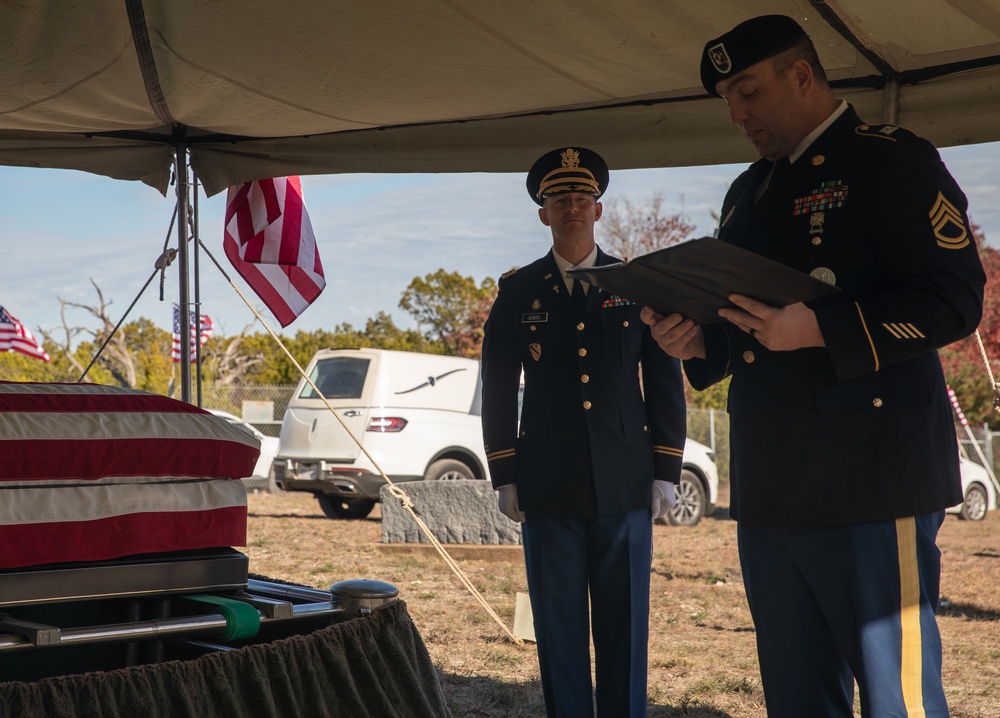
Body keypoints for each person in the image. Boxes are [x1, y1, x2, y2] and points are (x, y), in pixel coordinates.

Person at [640, 15, 986, 718]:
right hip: (773, 483)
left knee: (898, 700)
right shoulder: (749, 191)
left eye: (749, 91)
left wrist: (821, 329)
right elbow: (743, 323)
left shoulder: (890, 160)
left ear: (801, 76)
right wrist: (694, 342)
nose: (738, 115)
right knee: (796, 698)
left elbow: (954, 300)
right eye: (728, 102)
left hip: (870, 481)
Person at [481, 146, 687, 717]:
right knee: (559, 628)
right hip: (548, 486)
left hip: (625, 482)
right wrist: (505, 471)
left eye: (582, 199)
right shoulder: (518, 291)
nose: (572, 208)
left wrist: (666, 468)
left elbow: (666, 380)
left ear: (598, 210)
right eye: (559, 200)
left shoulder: (636, 283)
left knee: (625, 629)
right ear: (542, 214)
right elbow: (497, 384)